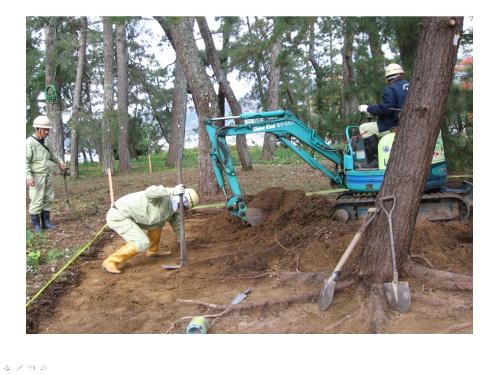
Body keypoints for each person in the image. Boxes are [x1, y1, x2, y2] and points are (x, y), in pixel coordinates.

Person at [102, 184, 199, 274]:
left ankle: (153, 251)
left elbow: (177, 224)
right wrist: (172, 190)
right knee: (141, 242)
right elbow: (149, 192)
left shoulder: (175, 209)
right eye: (184, 206)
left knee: (158, 223)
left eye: (186, 208)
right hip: (119, 215)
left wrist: (181, 240)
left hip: (136, 217)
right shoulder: (163, 197)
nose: (184, 209)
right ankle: (110, 261)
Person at [358, 63, 410, 167]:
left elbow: (386, 109)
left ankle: (375, 161)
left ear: (388, 77)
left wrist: (368, 108)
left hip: (393, 124)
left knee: (364, 128)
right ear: (401, 74)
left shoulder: (390, 89)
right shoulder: (410, 85)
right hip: (408, 122)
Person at [26, 115, 67, 233]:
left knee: (48, 199)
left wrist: (60, 162)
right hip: (36, 177)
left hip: (47, 176)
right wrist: (28, 177)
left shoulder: (46, 143)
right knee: (36, 200)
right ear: (37, 129)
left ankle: (46, 222)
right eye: (45, 129)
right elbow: (25, 162)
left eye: (48, 129)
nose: (47, 132)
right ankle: (36, 225)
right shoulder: (29, 143)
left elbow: (53, 155)